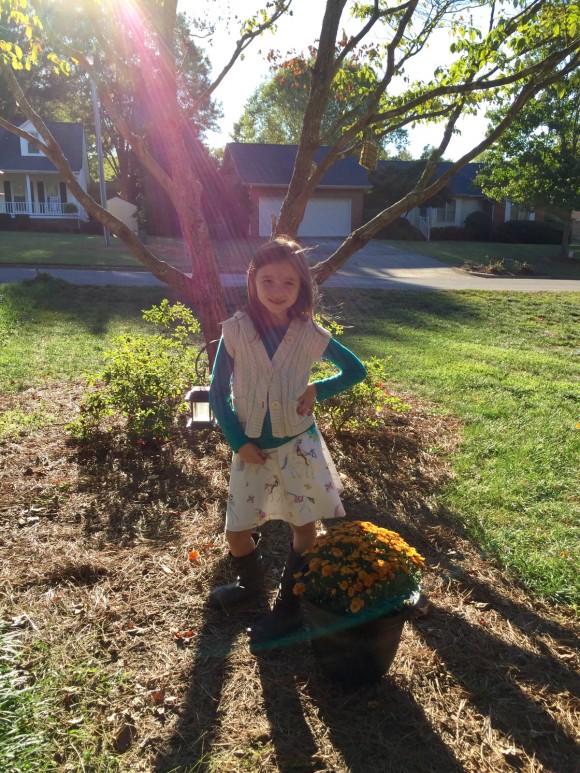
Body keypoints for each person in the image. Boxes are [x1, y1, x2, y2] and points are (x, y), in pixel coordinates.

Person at [208, 237, 366, 649]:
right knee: (238, 530)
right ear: (252, 280)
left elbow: (354, 370)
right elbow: (217, 391)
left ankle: (289, 607)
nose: (277, 291)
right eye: (268, 280)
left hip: (297, 446)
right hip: (251, 452)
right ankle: (249, 587)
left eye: (289, 284)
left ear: (302, 288)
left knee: (304, 526)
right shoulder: (237, 330)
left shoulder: (309, 333)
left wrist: (319, 389)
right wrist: (238, 440)